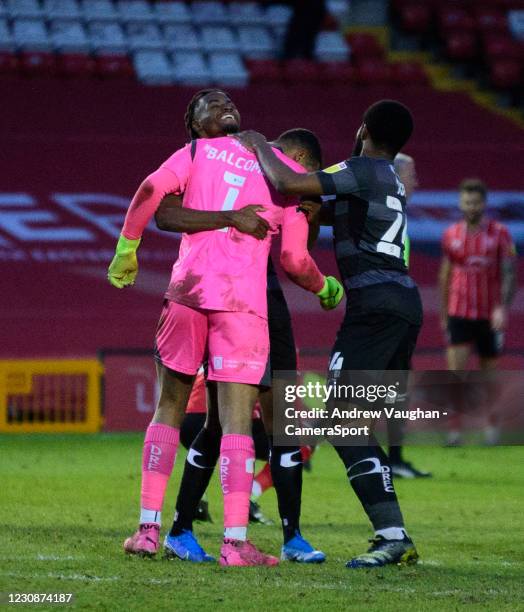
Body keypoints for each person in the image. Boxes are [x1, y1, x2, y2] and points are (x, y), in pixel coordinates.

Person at [107, 90, 343, 566]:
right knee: (237, 423)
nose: (224, 103)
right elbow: (295, 257)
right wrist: (325, 287)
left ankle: (149, 531)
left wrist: (126, 247)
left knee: (168, 409)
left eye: (227, 99)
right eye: (210, 102)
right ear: (194, 122)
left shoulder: (193, 155)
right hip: (243, 305)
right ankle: (235, 544)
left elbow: (152, 191)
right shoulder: (280, 169)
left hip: (189, 292)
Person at [235, 99, 421, 568]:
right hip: (400, 307)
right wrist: (310, 213)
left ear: (362, 129)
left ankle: (393, 535)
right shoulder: (388, 180)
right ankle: (393, 533)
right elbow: (314, 225)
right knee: (351, 427)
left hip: (375, 309)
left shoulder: (362, 168)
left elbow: (285, 181)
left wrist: (258, 142)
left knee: (341, 424)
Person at [154, 116, 328, 563]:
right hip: (256, 304)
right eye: (308, 172)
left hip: (214, 296)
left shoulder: (231, 165)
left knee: (221, 425)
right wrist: (327, 288)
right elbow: (294, 256)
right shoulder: (282, 179)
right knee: (275, 426)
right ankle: (288, 539)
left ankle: (178, 529)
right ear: (301, 161)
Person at [439, 179, 517, 446]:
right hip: (459, 312)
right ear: (461, 203)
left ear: (484, 203)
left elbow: (509, 274)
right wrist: (443, 314)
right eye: (466, 201)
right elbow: (445, 275)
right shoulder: (451, 234)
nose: (471, 206)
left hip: (489, 315)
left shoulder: (500, 234)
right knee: (455, 375)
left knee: (489, 375)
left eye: (475, 202)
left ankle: (491, 427)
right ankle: (454, 430)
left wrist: (502, 309)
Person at [386, 153, 431, 478]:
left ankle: (397, 459)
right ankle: (304, 440)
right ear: (399, 178)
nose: (417, 182)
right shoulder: (390, 216)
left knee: (391, 387)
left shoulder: (396, 214)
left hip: (390, 310)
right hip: (388, 312)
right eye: (412, 175)